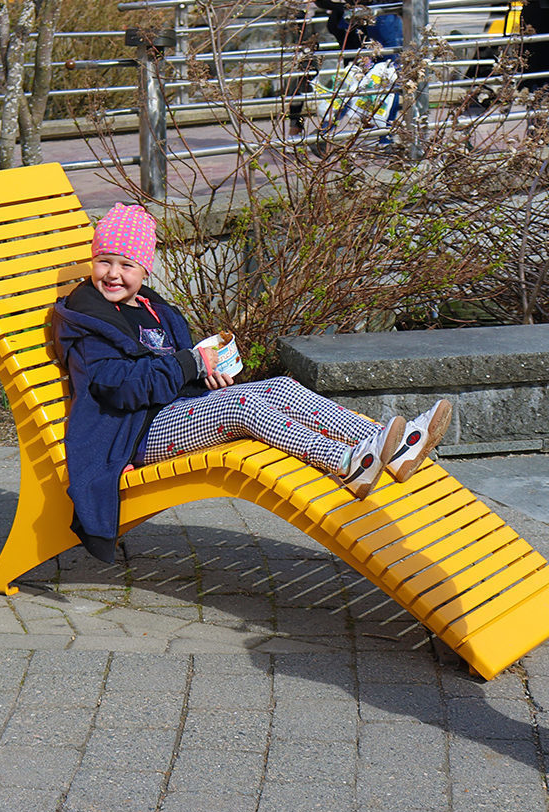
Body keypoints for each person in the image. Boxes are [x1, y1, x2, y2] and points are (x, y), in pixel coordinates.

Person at [53, 203, 453, 563]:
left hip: (167, 412)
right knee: (240, 408)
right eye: (105, 261)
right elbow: (119, 388)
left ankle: (389, 444)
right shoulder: (89, 321)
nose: (113, 274)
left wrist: (203, 375)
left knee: (280, 387)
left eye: (126, 265)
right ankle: (346, 463)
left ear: (146, 269)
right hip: (132, 432)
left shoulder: (154, 310)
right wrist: (189, 364)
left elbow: (175, 372)